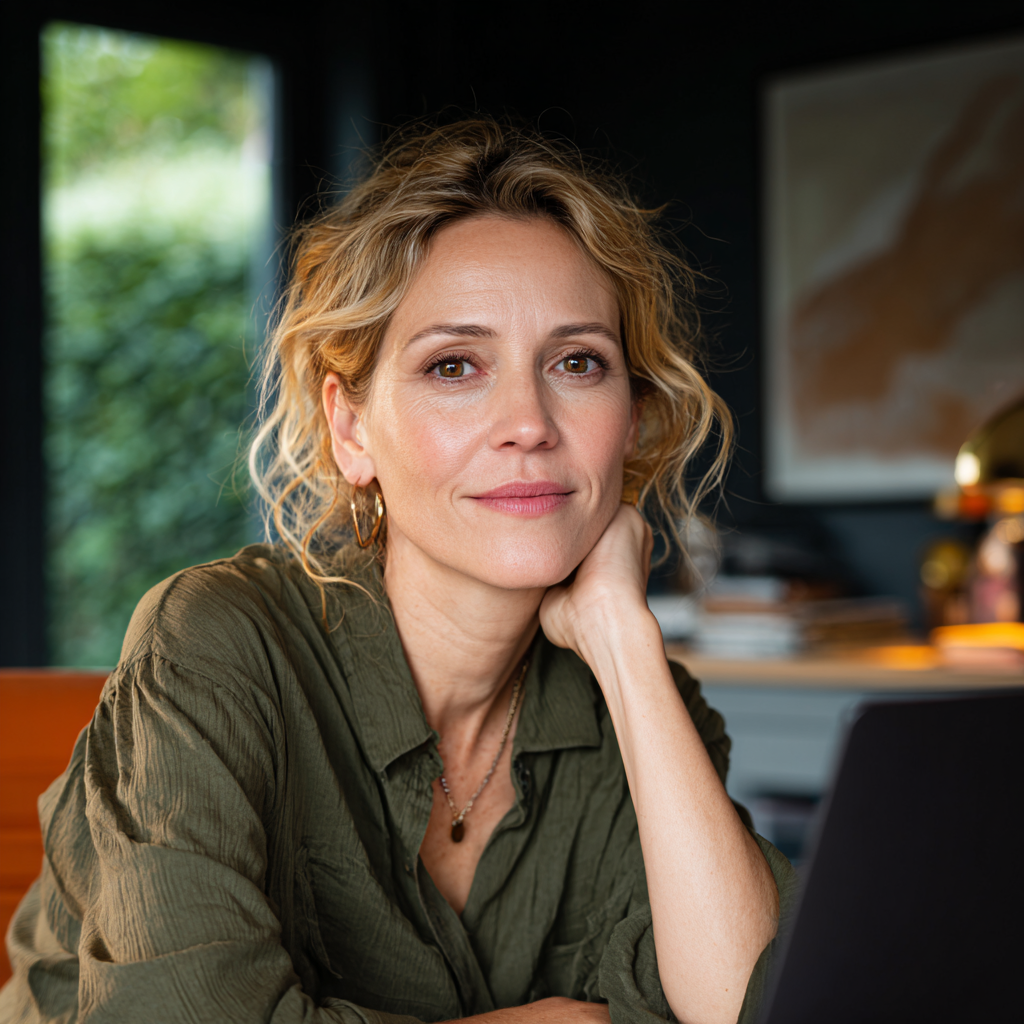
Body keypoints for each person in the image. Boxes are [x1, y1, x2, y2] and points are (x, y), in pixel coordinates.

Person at [1, 119, 796, 1024]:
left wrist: (620, 638)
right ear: (351, 430)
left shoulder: (646, 708)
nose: (529, 422)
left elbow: (754, 1006)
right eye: (454, 366)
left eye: (578, 362)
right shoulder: (218, 643)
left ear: (634, 420)